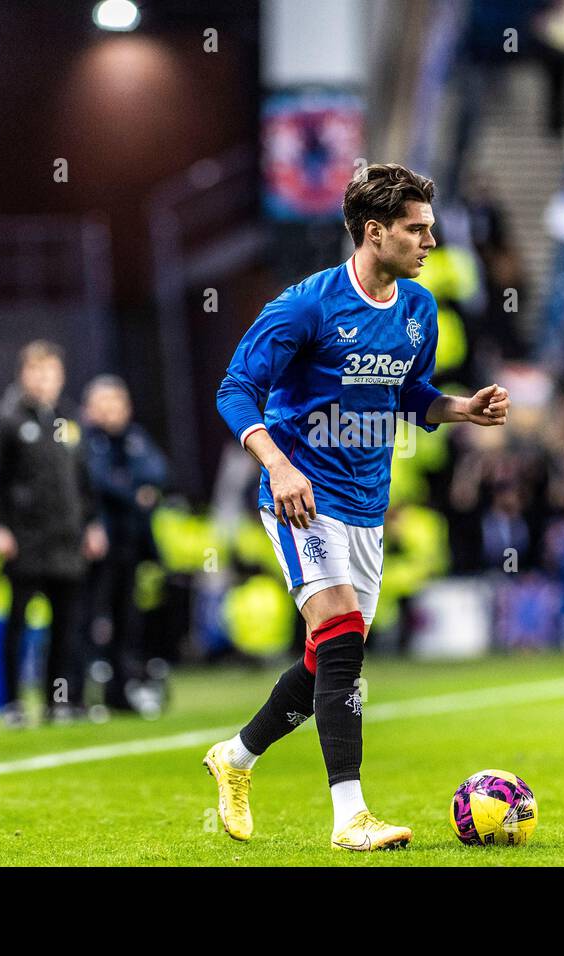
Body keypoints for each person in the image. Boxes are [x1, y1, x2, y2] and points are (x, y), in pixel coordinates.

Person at [210, 163, 510, 850]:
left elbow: (409, 394)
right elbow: (235, 390)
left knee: (328, 660)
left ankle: (235, 756)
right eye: (418, 230)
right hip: (301, 498)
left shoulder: (417, 310)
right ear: (374, 232)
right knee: (342, 635)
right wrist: (279, 466)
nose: (431, 242)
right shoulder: (305, 307)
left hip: (367, 504)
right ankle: (351, 817)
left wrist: (459, 409)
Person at [0, 341, 106, 727]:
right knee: (18, 623)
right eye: (37, 372)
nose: (44, 379)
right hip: (25, 541)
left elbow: (84, 483)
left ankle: (59, 701)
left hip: (67, 541)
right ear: (24, 375)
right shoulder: (8, 421)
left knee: (66, 626)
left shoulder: (70, 421)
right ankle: (13, 703)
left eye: (51, 372)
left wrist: (93, 524)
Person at [81, 374, 171, 716]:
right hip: (96, 547)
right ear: (90, 409)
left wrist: (130, 488)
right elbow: (97, 480)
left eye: (115, 403)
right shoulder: (86, 440)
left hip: (130, 546)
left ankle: (120, 692)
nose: (109, 412)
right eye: (102, 404)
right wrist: (135, 493)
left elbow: (160, 472)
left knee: (126, 620)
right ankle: (78, 694)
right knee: (90, 620)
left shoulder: (135, 438)